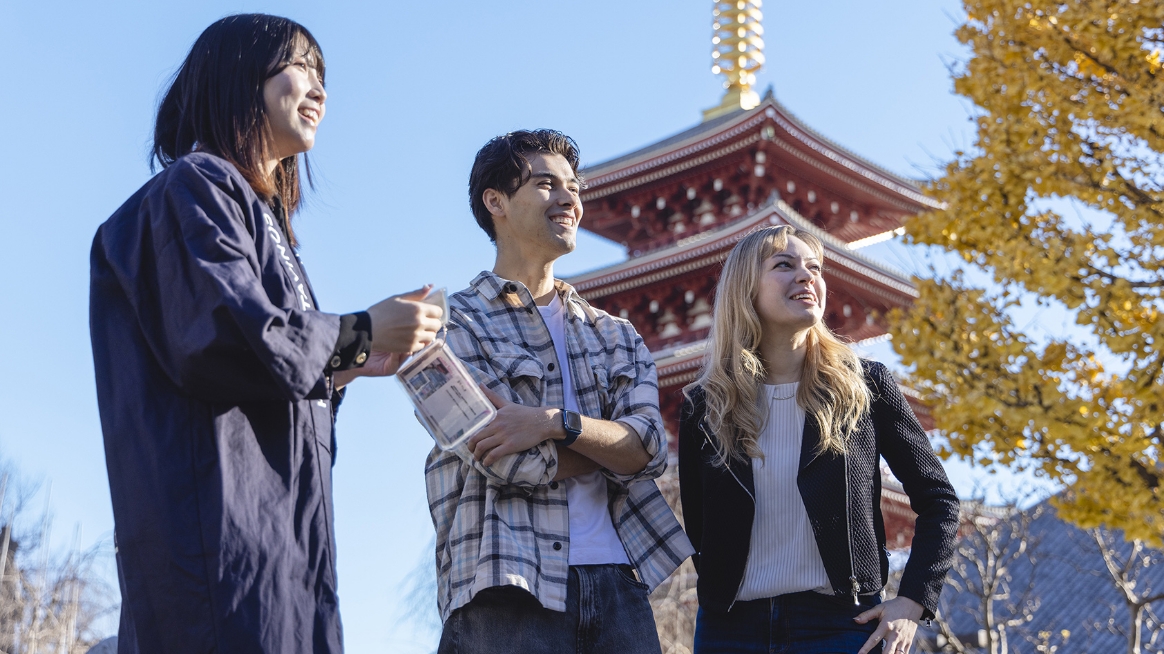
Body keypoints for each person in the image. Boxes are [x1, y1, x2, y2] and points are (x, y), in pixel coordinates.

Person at [89, 14, 442, 653]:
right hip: (220, 544)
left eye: (325, 77)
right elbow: (223, 334)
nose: (321, 90)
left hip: (286, 549)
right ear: (240, 75)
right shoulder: (194, 186)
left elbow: (270, 355)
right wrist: (358, 331)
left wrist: (352, 361)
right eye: (301, 66)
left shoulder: (261, 220)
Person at [426, 130, 694, 654]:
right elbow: (498, 458)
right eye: (547, 184)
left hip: (621, 584)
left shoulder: (617, 335)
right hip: (505, 585)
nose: (569, 198)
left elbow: (649, 451)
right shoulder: (448, 325)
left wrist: (552, 422)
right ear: (495, 201)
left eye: (575, 186)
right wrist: (607, 446)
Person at [677, 225, 959, 654]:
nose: (807, 277)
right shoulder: (705, 405)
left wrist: (914, 600)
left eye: (815, 267)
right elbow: (700, 525)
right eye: (784, 265)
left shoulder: (866, 386)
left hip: (841, 624)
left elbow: (939, 499)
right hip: (729, 630)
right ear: (744, 288)